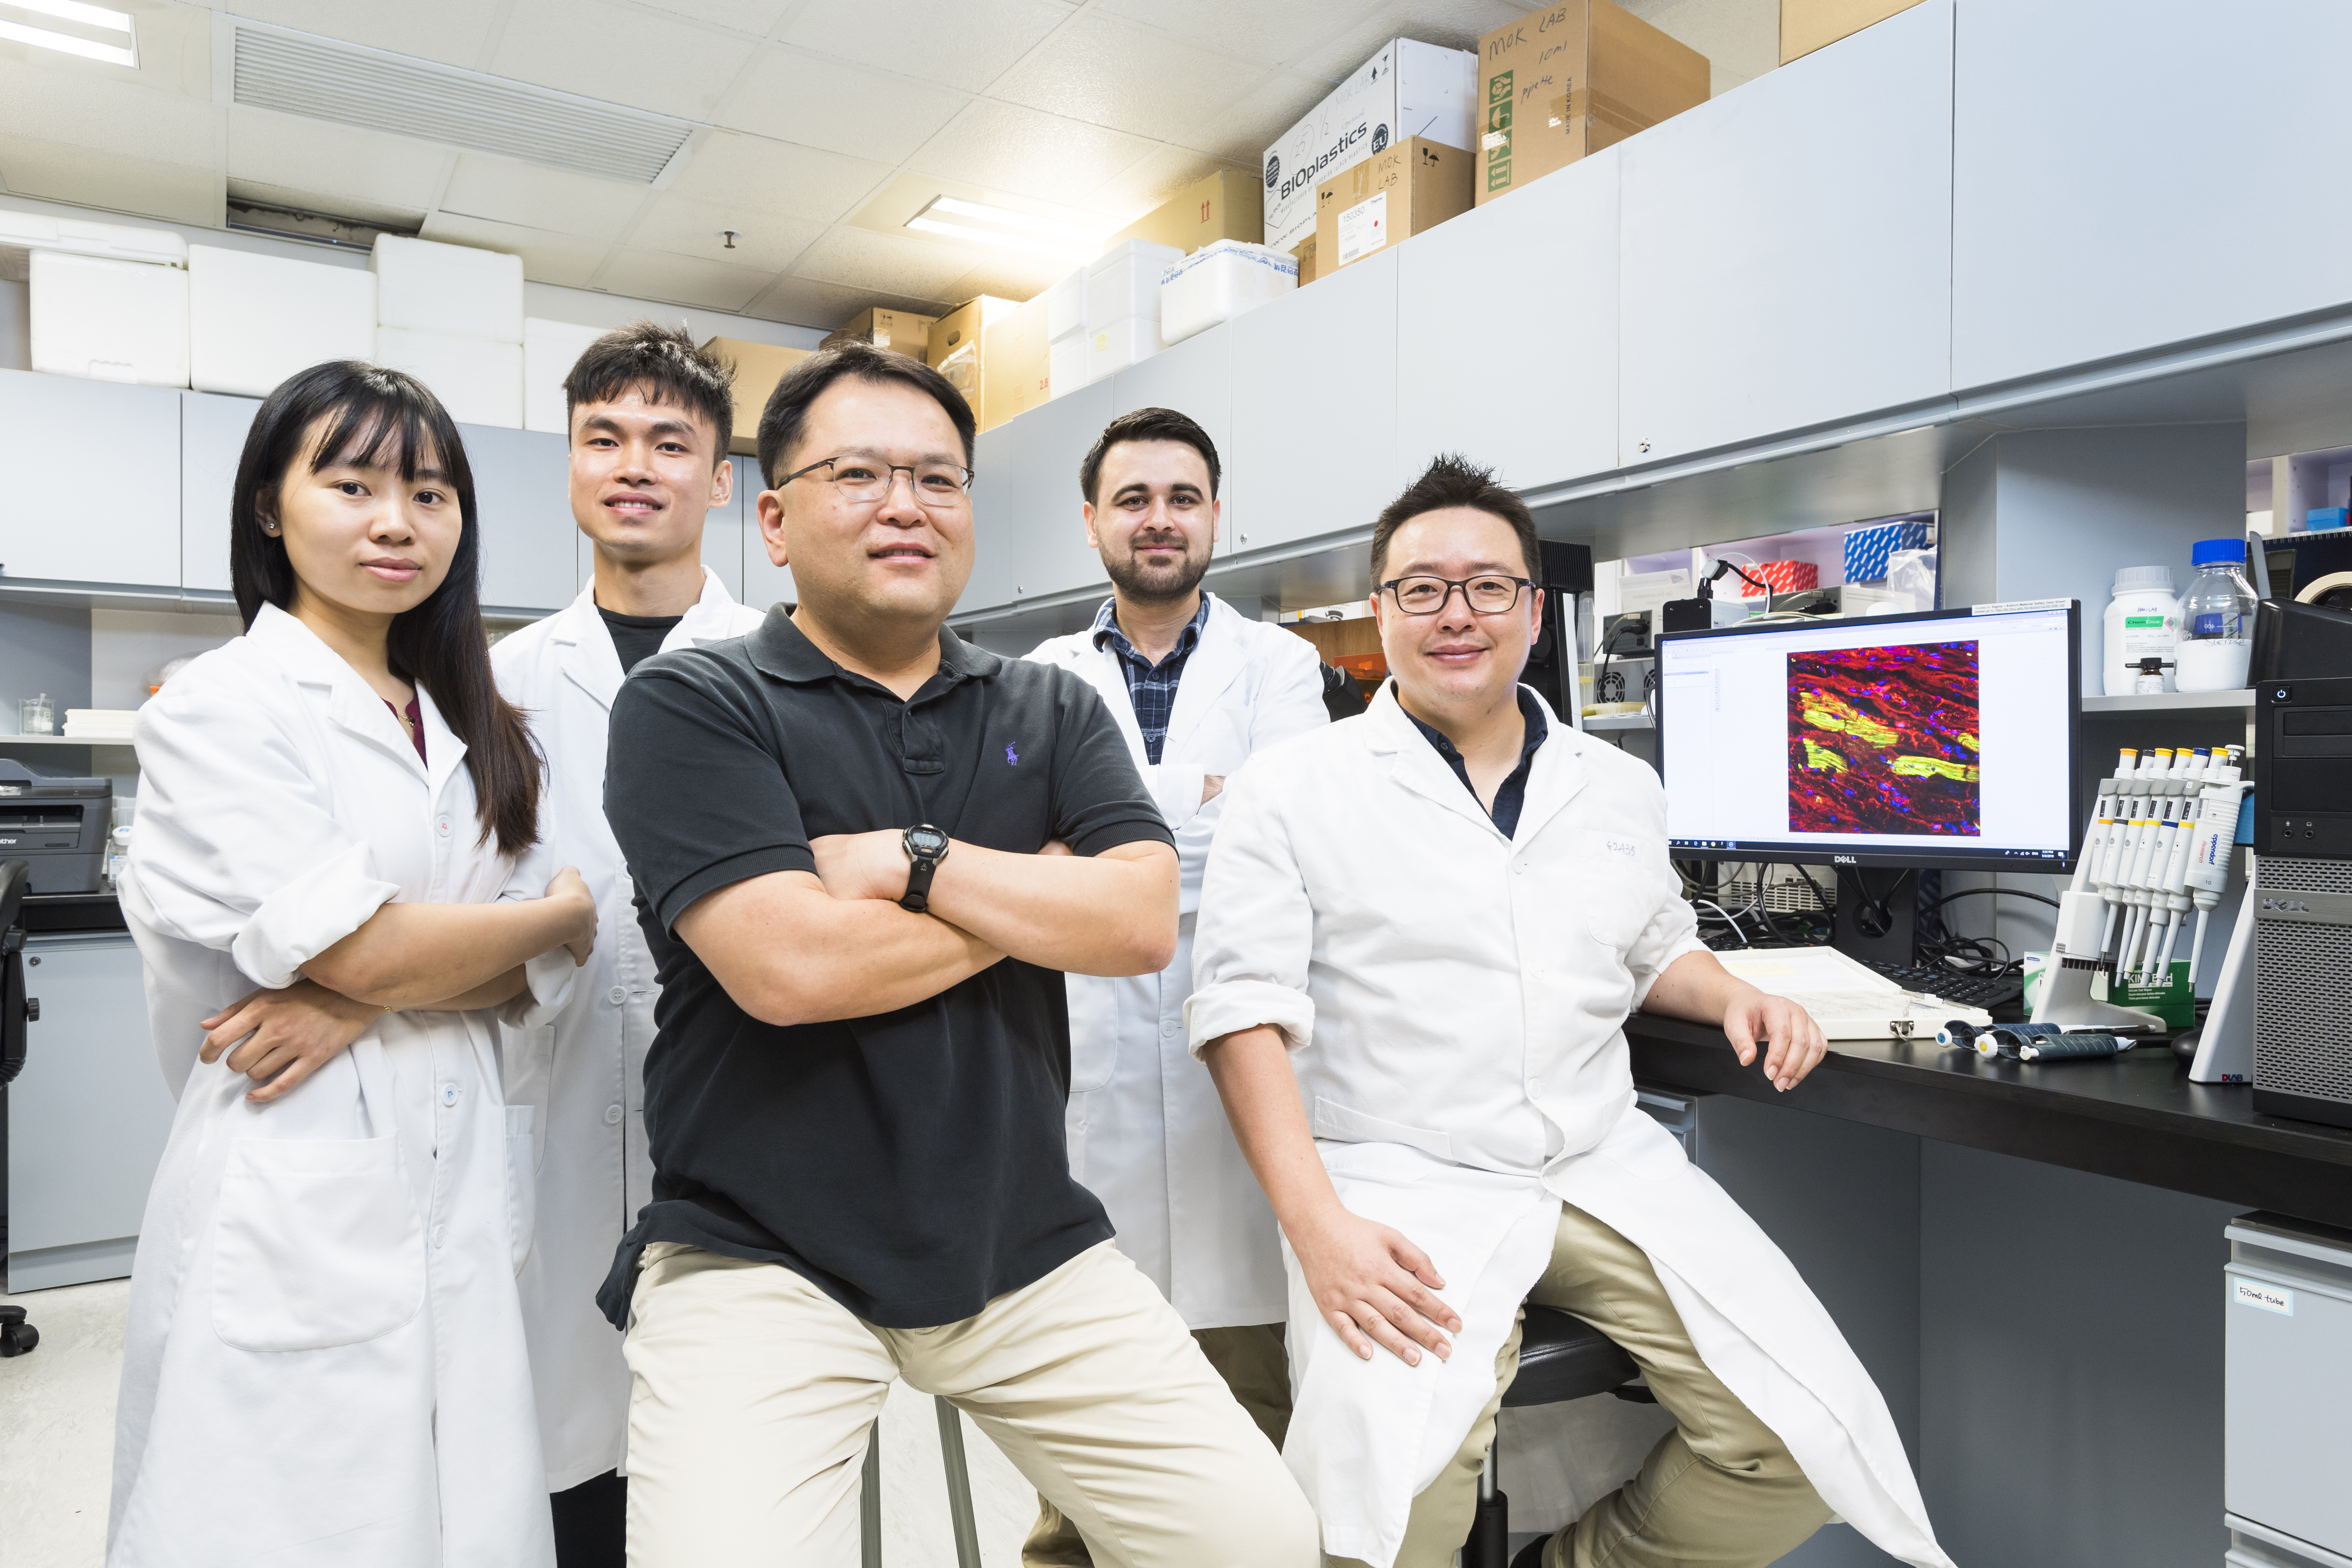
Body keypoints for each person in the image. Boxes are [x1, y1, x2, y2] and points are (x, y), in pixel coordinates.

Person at [595, 342, 1319, 1567]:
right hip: (760, 1248)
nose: (904, 504)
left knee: (1260, 1540)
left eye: (938, 477)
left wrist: (917, 860)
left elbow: (1140, 924)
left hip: (1020, 1237)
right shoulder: (696, 701)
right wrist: (1038, 889)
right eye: (860, 472)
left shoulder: (1048, 706)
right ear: (773, 520)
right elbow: (792, 969)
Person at [1188, 455, 1955, 1568]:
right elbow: (1241, 1014)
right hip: (1403, 1175)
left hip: (1600, 1164)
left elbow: (1652, 946)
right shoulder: (1295, 785)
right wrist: (1317, 1227)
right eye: (1422, 588)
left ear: (1533, 609)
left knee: (1803, 1446)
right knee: (1387, 1518)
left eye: (1488, 585)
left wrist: (1733, 987)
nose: (1457, 614)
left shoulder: (1615, 782)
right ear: (1380, 607)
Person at [109, 361, 596, 1567]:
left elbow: (558, 960)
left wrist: (353, 992)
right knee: (287, 1517)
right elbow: (432, 936)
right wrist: (504, 932)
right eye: (352, 483)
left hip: (464, 1170)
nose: (397, 521)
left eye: (431, 494)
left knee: (466, 1503)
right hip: (292, 1166)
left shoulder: (473, 719)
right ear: (271, 507)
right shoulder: (218, 705)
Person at [1022, 407, 1327, 1566]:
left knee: (1254, 1440)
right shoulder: (1038, 681)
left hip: (1232, 1098)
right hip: (1083, 1099)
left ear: (1213, 516)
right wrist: (1197, 794)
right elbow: (1028, 859)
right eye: (1135, 498)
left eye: (1183, 497)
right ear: (1095, 519)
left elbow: (1272, 841)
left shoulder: (1282, 665)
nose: (1160, 519)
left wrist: (1103, 837)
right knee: (1081, 1443)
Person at [487, 322, 767, 1565]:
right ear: (570, 465)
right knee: (569, 1470)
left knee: (735, 1473)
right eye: (604, 437)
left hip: (749, 1127)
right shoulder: (495, 682)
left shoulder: (783, 667)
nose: (634, 464)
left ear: (720, 477)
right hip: (548, 1112)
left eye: (671, 440)